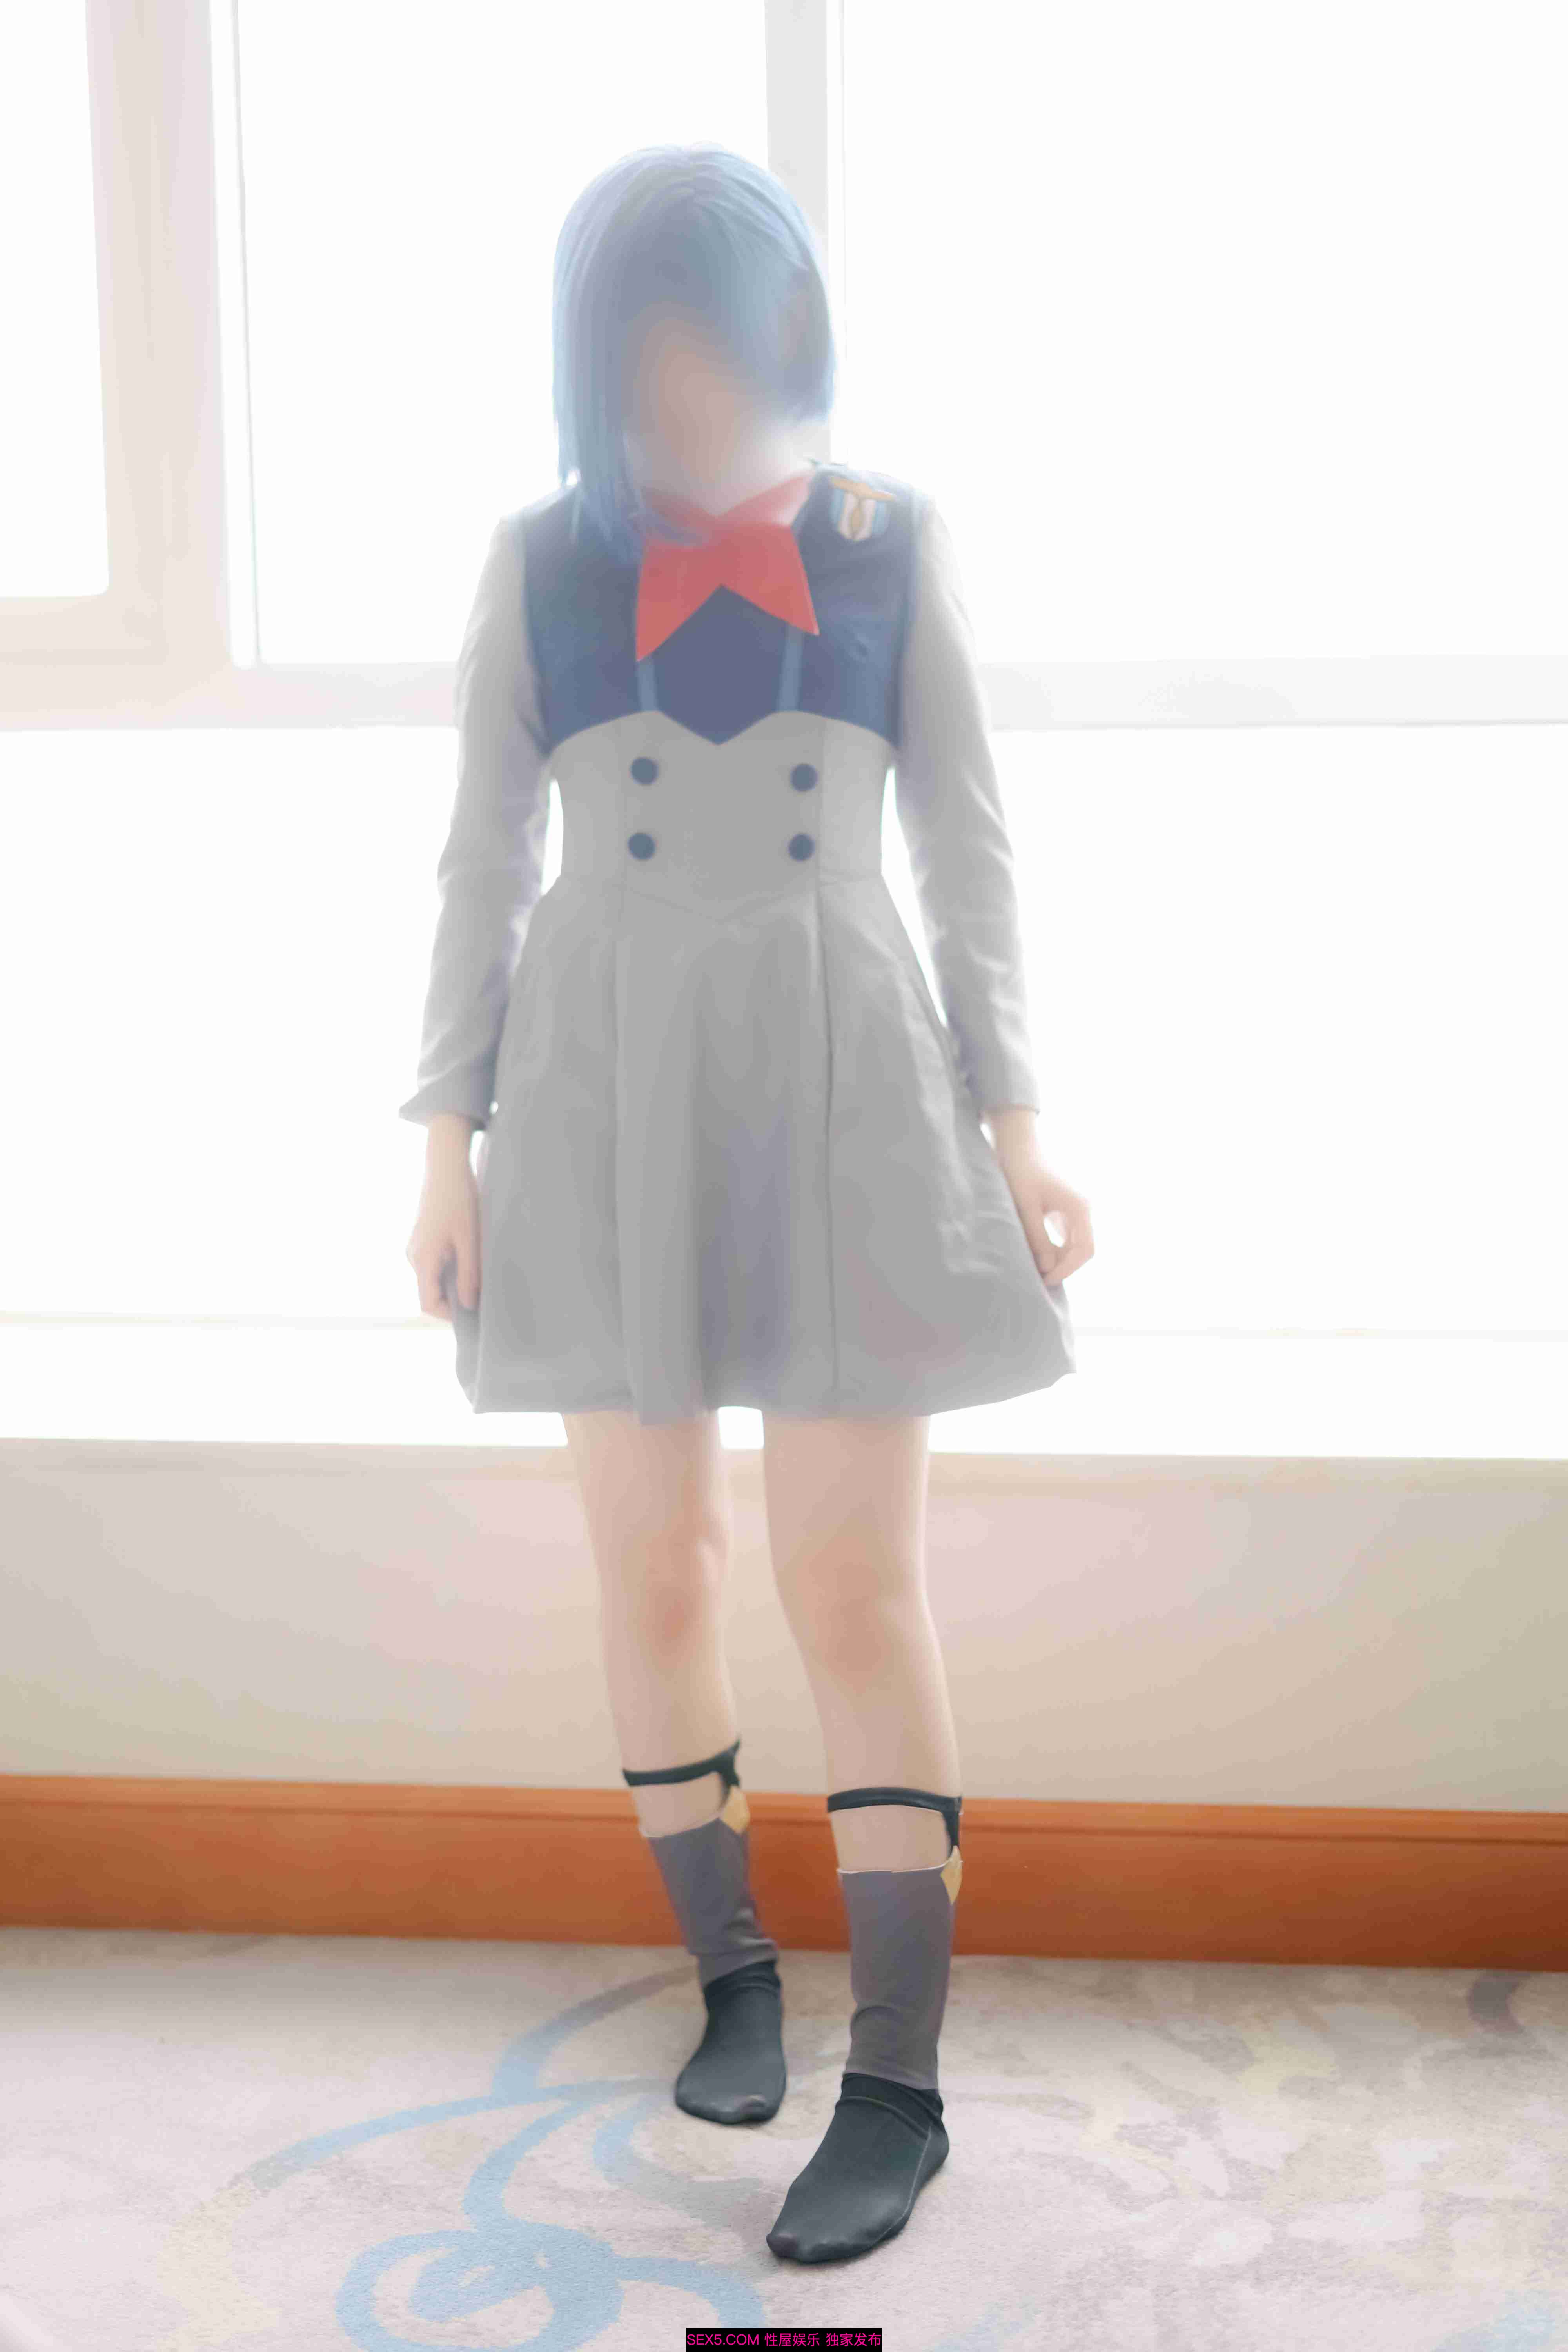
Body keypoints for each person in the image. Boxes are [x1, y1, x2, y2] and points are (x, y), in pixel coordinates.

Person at [399, 143, 1094, 2265]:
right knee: (658, 1563)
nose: (696, 387)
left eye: (727, 336)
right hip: (602, 1089)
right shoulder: (538, 563)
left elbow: (970, 846)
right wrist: (442, 1140)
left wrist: (1019, 1123)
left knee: (852, 1578)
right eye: (658, 347)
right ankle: (731, 1979)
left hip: (847, 1073)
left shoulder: (891, 539)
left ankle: (898, 2081)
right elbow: (479, 857)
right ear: (599, 360)